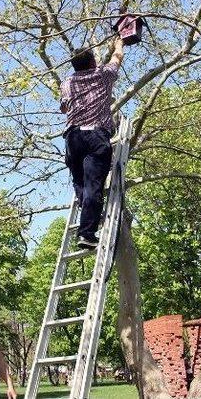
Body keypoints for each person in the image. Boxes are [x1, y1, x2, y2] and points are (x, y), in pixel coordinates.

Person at [60, 37, 125, 248]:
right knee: (92, 186)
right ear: (92, 63)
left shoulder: (67, 82)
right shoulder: (102, 74)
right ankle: (87, 233)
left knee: (80, 183)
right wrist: (119, 43)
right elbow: (117, 58)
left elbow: (64, 108)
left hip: (73, 138)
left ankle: (88, 213)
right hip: (95, 137)